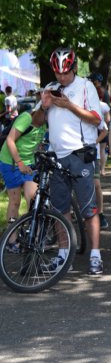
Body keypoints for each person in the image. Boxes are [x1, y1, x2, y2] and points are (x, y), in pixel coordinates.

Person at [36, 47, 105, 275]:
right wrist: (44, 106)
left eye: (65, 73)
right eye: (57, 73)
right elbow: (36, 122)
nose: (61, 78)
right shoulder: (51, 88)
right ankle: (64, 256)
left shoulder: (86, 87)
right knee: (59, 209)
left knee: (88, 208)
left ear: (74, 69)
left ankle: (95, 255)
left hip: (80, 154)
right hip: (57, 156)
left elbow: (96, 120)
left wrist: (70, 106)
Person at [0, 101, 47, 252]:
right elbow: (10, 140)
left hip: (29, 164)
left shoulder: (47, 124)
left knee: (33, 199)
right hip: (11, 163)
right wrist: (19, 163)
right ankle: (12, 240)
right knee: (14, 202)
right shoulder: (27, 118)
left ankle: (36, 238)